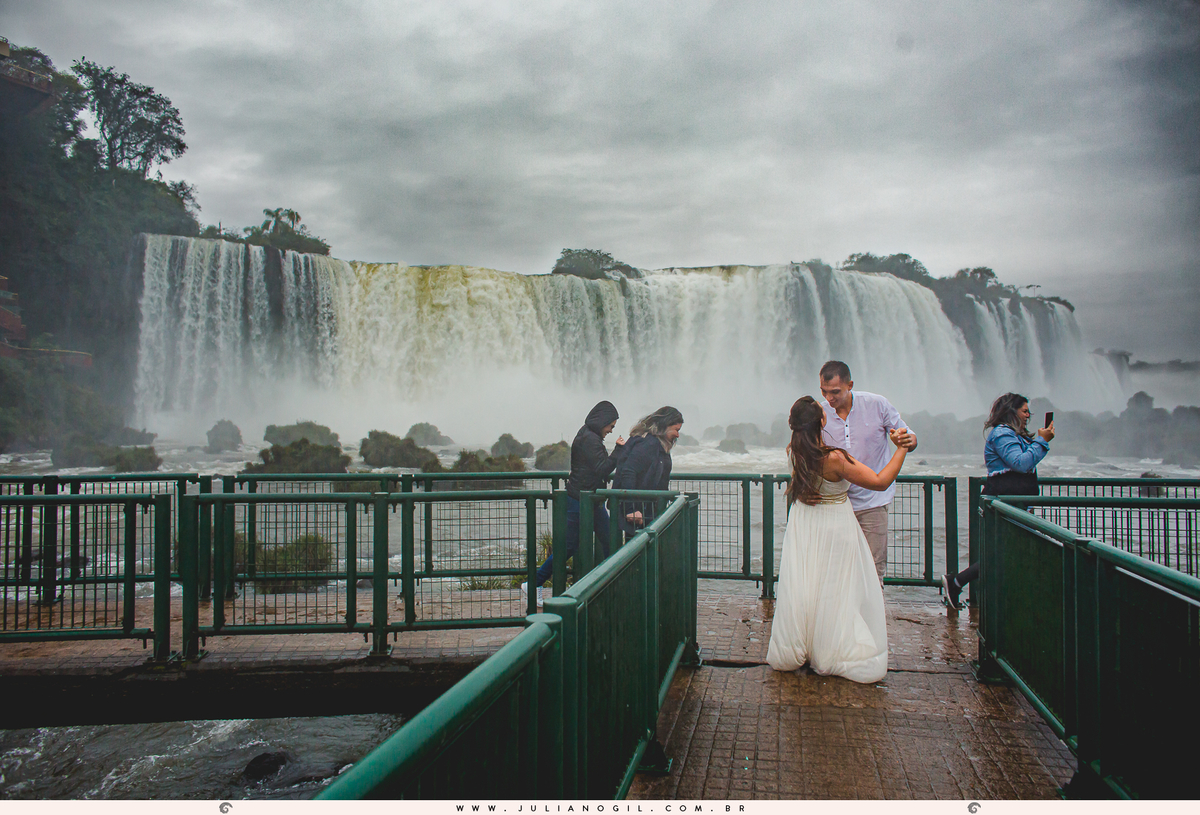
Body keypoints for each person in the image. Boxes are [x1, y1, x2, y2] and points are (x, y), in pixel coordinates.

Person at [766, 396, 909, 683]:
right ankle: (829, 648)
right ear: (822, 422)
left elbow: (800, 485)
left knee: (808, 583)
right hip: (834, 524)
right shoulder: (835, 458)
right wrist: (901, 449)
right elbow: (880, 481)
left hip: (806, 522)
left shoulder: (796, 451)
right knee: (836, 587)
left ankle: (804, 645)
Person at [941, 392, 1055, 610]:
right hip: (1004, 504)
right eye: (1024, 410)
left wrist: (1039, 441)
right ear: (1011, 411)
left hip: (1014, 504)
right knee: (1007, 554)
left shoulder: (1015, 435)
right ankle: (958, 583)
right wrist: (1042, 441)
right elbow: (1020, 463)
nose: (1028, 415)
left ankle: (957, 583)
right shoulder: (1002, 434)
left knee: (1010, 554)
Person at [818, 361, 917, 587]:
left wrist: (907, 440)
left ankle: (871, 621)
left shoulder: (877, 404)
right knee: (837, 571)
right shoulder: (820, 413)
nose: (829, 398)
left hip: (873, 503)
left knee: (872, 571)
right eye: (824, 392)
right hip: (835, 504)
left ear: (850, 385)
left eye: (835, 392)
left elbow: (907, 434)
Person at [522, 401, 625, 607]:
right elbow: (602, 468)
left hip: (588, 500)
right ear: (602, 421)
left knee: (610, 540)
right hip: (581, 501)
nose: (610, 431)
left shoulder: (588, 435)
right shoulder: (590, 439)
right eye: (610, 426)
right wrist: (618, 451)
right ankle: (534, 583)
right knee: (574, 545)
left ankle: (612, 584)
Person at [613, 406, 684, 539]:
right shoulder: (648, 443)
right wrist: (631, 509)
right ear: (665, 425)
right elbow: (629, 471)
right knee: (637, 550)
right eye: (676, 430)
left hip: (646, 510)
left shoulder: (657, 443)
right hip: (639, 512)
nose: (678, 435)